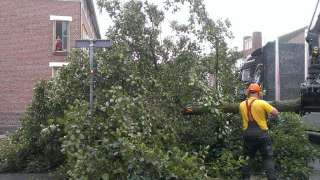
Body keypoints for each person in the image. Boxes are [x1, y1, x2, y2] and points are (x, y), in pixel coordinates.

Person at [239, 83, 279, 180]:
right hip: (262, 135)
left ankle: (245, 178)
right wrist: (269, 117)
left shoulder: (241, 105)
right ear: (258, 93)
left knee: (247, 159)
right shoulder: (262, 103)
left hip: (248, 135)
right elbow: (275, 112)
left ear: (248, 92)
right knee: (267, 158)